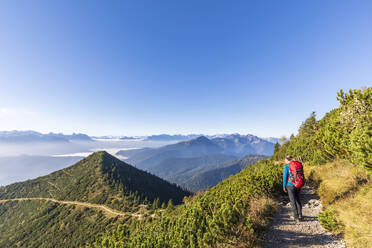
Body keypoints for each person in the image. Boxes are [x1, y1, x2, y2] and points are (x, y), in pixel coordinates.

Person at [283, 155, 303, 221]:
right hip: (297, 184)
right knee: (297, 199)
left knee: (292, 201)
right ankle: (300, 215)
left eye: (285, 160)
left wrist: (284, 186)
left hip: (290, 185)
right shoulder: (297, 165)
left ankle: (296, 217)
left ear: (287, 160)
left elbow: (285, 177)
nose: (284, 161)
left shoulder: (286, 167)